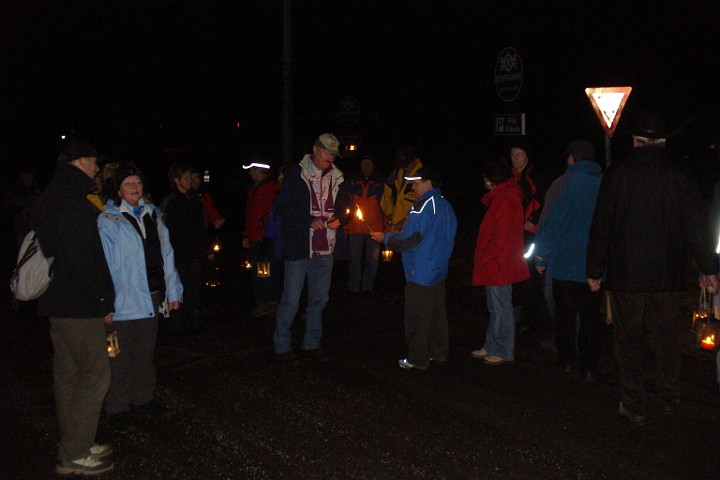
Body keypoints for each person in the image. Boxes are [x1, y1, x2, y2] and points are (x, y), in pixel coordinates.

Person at [586, 111, 720, 425]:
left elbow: (602, 225)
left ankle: (633, 403)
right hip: (668, 275)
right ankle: (669, 396)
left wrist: (594, 270)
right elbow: (696, 227)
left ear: (635, 140)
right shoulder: (681, 175)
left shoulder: (618, 174)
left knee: (628, 340)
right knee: (667, 338)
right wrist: (708, 268)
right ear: (662, 141)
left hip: (627, 276)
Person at [33, 139, 116, 476]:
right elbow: (83, 261)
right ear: (81, 161)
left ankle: (77, 441)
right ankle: (73, 454)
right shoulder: (73, 202)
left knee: (68, 376)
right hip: (80, 305)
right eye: (95, 161)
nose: (97, 168)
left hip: (57, 301)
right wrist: (103, 300)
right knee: (96, 376)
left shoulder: (51, 197)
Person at [98, 164, 183, 432]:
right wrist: (104, 302)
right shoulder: (108, 220)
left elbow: (166, 254)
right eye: (128, 183)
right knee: (118, 357)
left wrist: (174, 291)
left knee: (144, 353)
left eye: (137, 182)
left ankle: (143, 398)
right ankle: (117, 407)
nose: (134, 187)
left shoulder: (153, 215)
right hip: (121, 301)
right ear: (118, 190)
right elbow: (102, 264)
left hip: (149, 296)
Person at [273, 133, 350, 365]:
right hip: (299, 248)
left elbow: (346, 206)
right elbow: (282, 208)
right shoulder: (296, 175)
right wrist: (308, 219)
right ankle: (282, 345)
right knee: (291, 300)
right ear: (315, 150)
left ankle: (312, 343)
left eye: (334, 154)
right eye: (328, 152)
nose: (331, 158)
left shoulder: (337, 177)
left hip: (325, 248)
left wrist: (340, 220)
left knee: (319, 300)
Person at [372, 166, 457, 370]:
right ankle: (439, 354)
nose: (412, 186)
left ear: (428, 183)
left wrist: (387, 238)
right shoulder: (446, 206)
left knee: (417, 317)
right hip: (439, 271)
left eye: (416, 182)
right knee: (437, 316)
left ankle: (418, 359)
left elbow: (409, 242)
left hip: (420, 273)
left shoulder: (422, 207)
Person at [534, 140, 602, 380]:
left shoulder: (563, 184)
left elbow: (551, 222)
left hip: (564, 266)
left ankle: (565, 360)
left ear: (573, 158)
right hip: (592, 268)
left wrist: (541, 255)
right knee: (590, 318)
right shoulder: (603, 184)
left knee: (565, 315)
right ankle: (588, 366)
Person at [471, 158, 529, 365]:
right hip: (497, 262)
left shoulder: (506, 198)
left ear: (491, 179)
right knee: (496, 306)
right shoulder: (504, 196)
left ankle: (504, 349)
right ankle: (492, 344)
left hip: (499, 263)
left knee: (501, 306)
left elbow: (500, 235)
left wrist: (488, 257)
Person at [161, 162, 213, 334]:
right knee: (177, 289)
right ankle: (175, 325)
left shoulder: (194, 200)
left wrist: (206, 248)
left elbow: (199, 228)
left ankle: (191, 323)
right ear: (177, 180)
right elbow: (169, 230)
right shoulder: (172, 202)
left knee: (193, 290)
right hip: (178, 255)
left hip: (193, 254)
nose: (189, 181)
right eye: (185, 178)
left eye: (190, 177)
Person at [509, 139, 547, 335]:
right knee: (516, 275)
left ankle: (532, 321)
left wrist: (532, 220)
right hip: (514, 235)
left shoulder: (534, 176)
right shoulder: (511, 177)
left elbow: (544, 200)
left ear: (527, 156)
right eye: (513, 154)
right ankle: (518, 317)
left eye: (519, 154)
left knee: (530, 275)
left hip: (529, 235)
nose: (515, 158)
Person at [242, 159, 280, 317]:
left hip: (266, 238)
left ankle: (271, 301)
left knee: (268, 271)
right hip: (255, 238)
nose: (250, 173)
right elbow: (249, 215)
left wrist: (265, 230)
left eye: (252, 170)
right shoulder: (253, 189)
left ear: (259, 171)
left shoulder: (272, 188)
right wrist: (246, 234)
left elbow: (275, 212)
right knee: (259, 271)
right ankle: (263, 301)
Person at [346, 155, 385, 293]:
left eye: (369, 164)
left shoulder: (380, 183)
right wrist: (345, 225)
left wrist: (386, 226)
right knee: (354, 260)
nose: (367, 167)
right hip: (355, 228)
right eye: (364, 164)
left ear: (374, 166)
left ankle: (367, 288)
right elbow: (346, 204)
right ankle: (354, 288)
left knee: (372, 261)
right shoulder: (352, 182)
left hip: (374, 229)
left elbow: (385, 207)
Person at [381, 146, 423, 233]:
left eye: (407, 164)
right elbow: (386, 195)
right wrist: (388, 213)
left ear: (415, 161)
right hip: (393, 229)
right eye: (402, 164)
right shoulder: (395, 175)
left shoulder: (422, 178)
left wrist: (406, 221)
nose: (404, 168)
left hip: (411, 231)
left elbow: (424, 204)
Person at [4, 164, 42, 251]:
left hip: (36, 230)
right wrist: (23, 210)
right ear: (21, 175)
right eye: (26, 174)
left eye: (30, 174)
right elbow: (8, 208)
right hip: (21, 230)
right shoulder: (15, 190)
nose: (28, 176)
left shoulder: (37, 189)